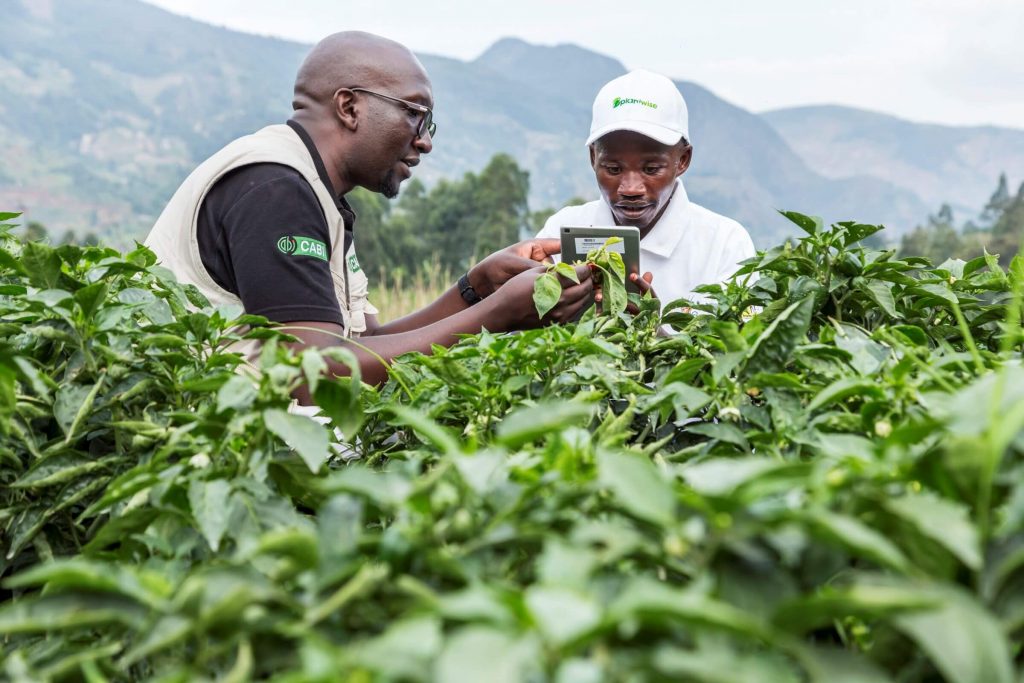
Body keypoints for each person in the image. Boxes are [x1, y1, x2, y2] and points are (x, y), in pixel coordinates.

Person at [145, 32, 593, 395]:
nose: (425, 140)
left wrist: (476, 289)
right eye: (417, 115)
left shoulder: (318, 194)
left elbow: (361, 345)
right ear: (349, 107)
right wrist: (499, 314)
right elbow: (312, 372)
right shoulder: (276, 189)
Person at [536, 69, 754, 309]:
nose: (631, 188)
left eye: (651, 169)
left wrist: (653, 331)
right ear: (593, 158)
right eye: (613, 168)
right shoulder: (560, 232)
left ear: (682, 160)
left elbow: (744, 345)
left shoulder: (723, 244)